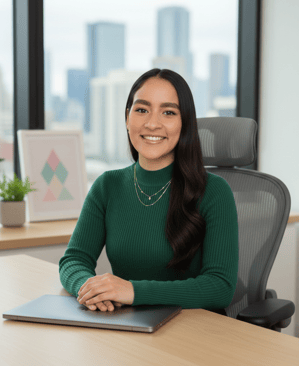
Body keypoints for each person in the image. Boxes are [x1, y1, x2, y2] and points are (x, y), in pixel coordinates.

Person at [59, 68, 238, 317]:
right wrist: (89, 290)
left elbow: (220, 287)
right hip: (126, 326)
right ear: (127, 118)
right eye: (142, 110)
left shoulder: (214, 192)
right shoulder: (107, 186)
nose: (152, 123)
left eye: (168, 112)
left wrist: (132, 291)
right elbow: (74, 260)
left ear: (184, 123)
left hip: (194, 333)